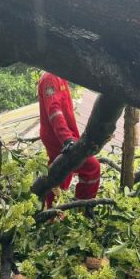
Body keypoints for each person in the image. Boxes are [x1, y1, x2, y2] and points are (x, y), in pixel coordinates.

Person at [37, 72, 100, 208]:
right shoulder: (50, 78)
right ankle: (82, 209)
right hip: (56, 136)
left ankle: (52, 211)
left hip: (63, 135)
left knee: (60, 172)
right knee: (92, 167)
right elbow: (54, 110)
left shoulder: (61, 76)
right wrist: (66, 139)